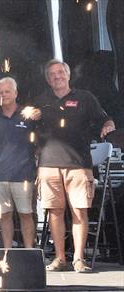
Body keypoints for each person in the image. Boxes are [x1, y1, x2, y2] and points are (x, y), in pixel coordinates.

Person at [34, 59, 115, 272]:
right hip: (48, 164)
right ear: (47, 79)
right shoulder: (40, 100)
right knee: (54, 212)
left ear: (68, 75)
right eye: (52, 74)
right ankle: (60, 258)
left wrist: (108, 124)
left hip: (79, 164)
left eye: (60, 72)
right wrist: (29, 116)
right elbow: (26, 126)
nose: (57, 76)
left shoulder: (85, 97)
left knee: (80, 212)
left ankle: (79, 258)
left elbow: (104, 119)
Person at [0, 77, 38, 250]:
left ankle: (29, 250)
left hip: (23, 174)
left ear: (16, 93)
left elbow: (40, 140)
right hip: (0, 174)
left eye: (7, 91)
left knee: (26, 214)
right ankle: (8, 251)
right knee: (5, 216)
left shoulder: (27, 115)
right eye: (0, 92)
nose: (4, 95)